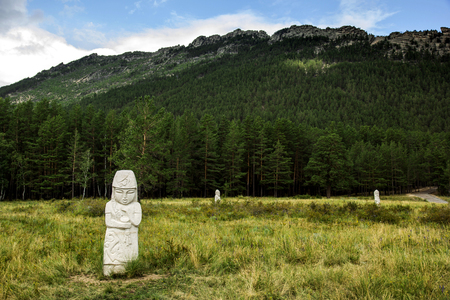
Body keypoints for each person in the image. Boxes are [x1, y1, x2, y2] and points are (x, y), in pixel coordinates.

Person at [103, 170, 142, 276]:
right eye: (120, 192)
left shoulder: (136, 206)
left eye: (129, 192)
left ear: (135, 191)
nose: (125, 197)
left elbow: (137, 222)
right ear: (114, 191)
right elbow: (108, 222)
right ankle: (110, 268)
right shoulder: (110, 205)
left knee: (128, 254)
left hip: (129, 238)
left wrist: (129, 213)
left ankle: (130, 268)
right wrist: (122, 225)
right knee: (114, 253)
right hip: (114, 237)